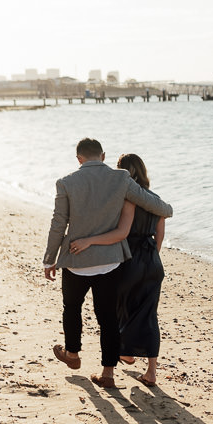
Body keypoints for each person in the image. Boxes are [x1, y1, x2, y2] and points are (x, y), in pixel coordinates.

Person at [43, 139, 173, 389]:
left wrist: (50, 259)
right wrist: (167, 209)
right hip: (110, 262)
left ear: (78, 159)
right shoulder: (121, 179)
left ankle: (72, 354)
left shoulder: (66, 182)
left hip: (75, 259)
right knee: (108, 318)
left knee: (72, 308)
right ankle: (108, 373)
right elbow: (158, 207)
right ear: (103, 156)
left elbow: (58, 223)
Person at [69, 153, 165, 387]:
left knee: (119, 308)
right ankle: (150, 371)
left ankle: (125, 353)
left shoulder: (125, 199)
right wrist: (151, 258)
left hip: (128, 257)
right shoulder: (156, 200)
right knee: (149, 313)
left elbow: (118, 231)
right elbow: (160, 234)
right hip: (152, 259)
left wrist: (90, 241)